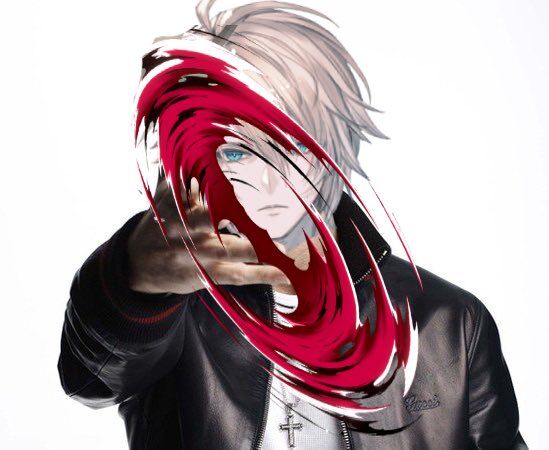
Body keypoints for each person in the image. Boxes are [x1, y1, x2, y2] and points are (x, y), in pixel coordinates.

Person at [57, 1, 527, 448]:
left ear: (335, 143)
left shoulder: (450, 323)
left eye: (293, 144)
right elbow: (88, 381)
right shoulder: (179, 313)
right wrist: (132, 280)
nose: (268, 180)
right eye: (238, 151)